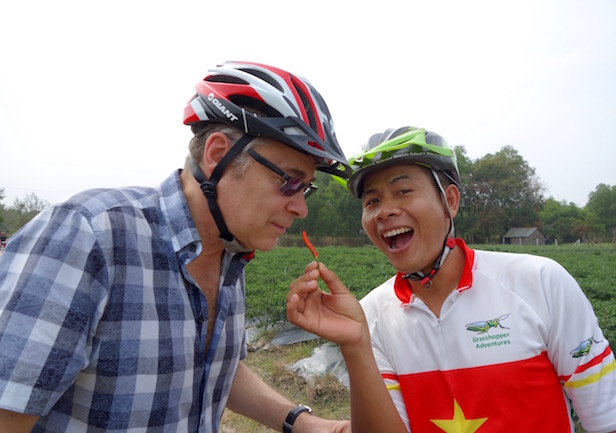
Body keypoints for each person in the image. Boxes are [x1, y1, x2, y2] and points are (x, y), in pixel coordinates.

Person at [0, 61, 352, 433]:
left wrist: (302, 423)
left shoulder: (229, 256)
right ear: (218, 155)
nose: (301, 208)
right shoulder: (88, 236)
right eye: (289, 182)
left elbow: (210, 368)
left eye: (306, 188)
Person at [287, 126, 616, 433]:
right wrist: (355, 347)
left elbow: (612, 421)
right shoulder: (370, 316)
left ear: (450, 201)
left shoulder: (541, 283)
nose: (385, 211)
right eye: (372, 200)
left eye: (403, 191)